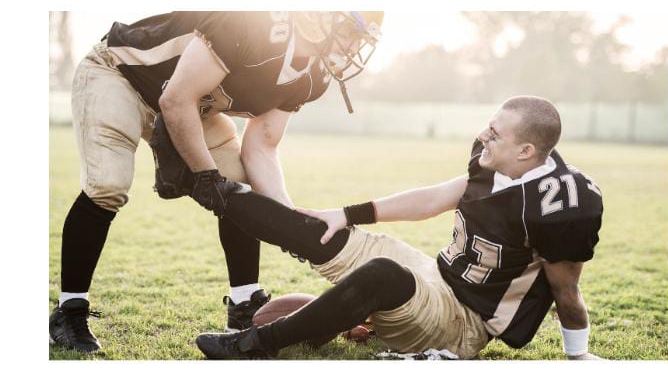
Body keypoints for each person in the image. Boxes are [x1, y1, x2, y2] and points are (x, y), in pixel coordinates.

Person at [50, 11, 383, 352]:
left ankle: (244, 305)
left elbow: (262, 147)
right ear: (319, 16)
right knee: (108, 184)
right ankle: (69, 310)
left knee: (238, 188)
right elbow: (176, 99)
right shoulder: (251, 23)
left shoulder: (312, 76)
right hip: (121, 75)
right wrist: (207, 177)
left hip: (189, 105)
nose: (352, 48)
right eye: (350, 33)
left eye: (361, 41)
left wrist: (290, 223)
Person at [193, 96, 604, 360]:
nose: (482, 136)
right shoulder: (492, 160)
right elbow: (433, 198)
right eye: (488, 126)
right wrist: (348, 213)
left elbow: (566, 291)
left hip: (463, 323)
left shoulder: (559, 203)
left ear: (526, 151)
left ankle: (255, 345)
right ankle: (198, 181)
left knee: (384, 276)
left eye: (494, 134)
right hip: (436, 276)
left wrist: (578, 356)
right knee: (323, 228)